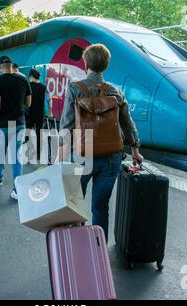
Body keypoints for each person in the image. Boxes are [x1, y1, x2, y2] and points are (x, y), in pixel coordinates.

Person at [59, 44, 144, 241]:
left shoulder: (75, 89)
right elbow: (127, 124)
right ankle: (99, 249)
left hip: (82, 156)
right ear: (105, 65)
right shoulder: (115, 92)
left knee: (75, 204)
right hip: (111, 158)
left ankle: (78, 245)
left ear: (85, 63)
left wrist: (60, 154)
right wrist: (135, 151)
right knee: (100, 207)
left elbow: (66, 126)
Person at [0, 55, 32, 200]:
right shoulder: (23, 79)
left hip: (2, 125)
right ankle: (17, 191)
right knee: (16, 157)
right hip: (19, 123)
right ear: (12, 65)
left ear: (0, 67)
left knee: (1, 153)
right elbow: (28, 103)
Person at [25, 68, 47, 161]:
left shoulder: (28, 85)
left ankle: (31, 150)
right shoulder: (43, 87)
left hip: (29, 113)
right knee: (39, 134)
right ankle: (38, 154)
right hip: (39, 114)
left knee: (28, 133)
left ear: (31, 76)